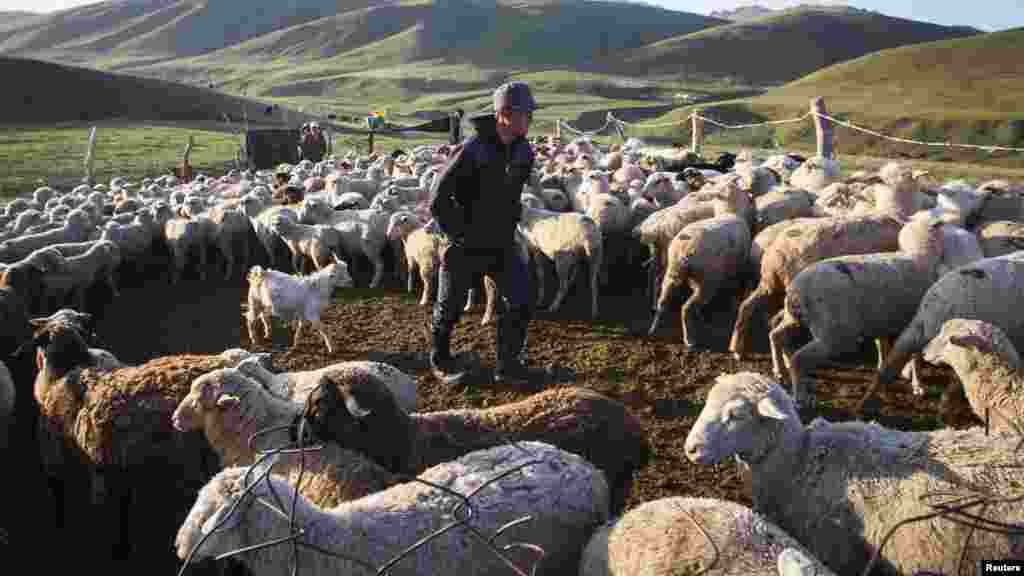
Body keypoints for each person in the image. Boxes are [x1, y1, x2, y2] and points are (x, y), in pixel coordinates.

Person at [427, 81, 538, 387]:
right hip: (464, 242)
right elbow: (438, 198)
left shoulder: (523, 151)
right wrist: (457, 233)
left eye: (530, 114)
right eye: (524, 114)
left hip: (500, 242)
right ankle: (441, 360)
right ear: (504, 114)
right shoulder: (472, 149)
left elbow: (513, 192)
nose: (529, 120)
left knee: (521, 299)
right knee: (450, 305)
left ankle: (508, 364)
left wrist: (510, 222)